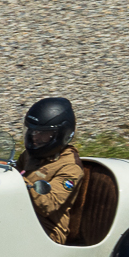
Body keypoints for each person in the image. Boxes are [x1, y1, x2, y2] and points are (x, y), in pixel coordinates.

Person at [18, 96, 85, 243]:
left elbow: (49, 204)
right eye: (33, 131)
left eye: (43, 133)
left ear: (60, 134)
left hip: (47, 232)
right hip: (21, 216)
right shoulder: (30, 154)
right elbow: (13, 173)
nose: (35, 137)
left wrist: (19, 181)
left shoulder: (70, 168)